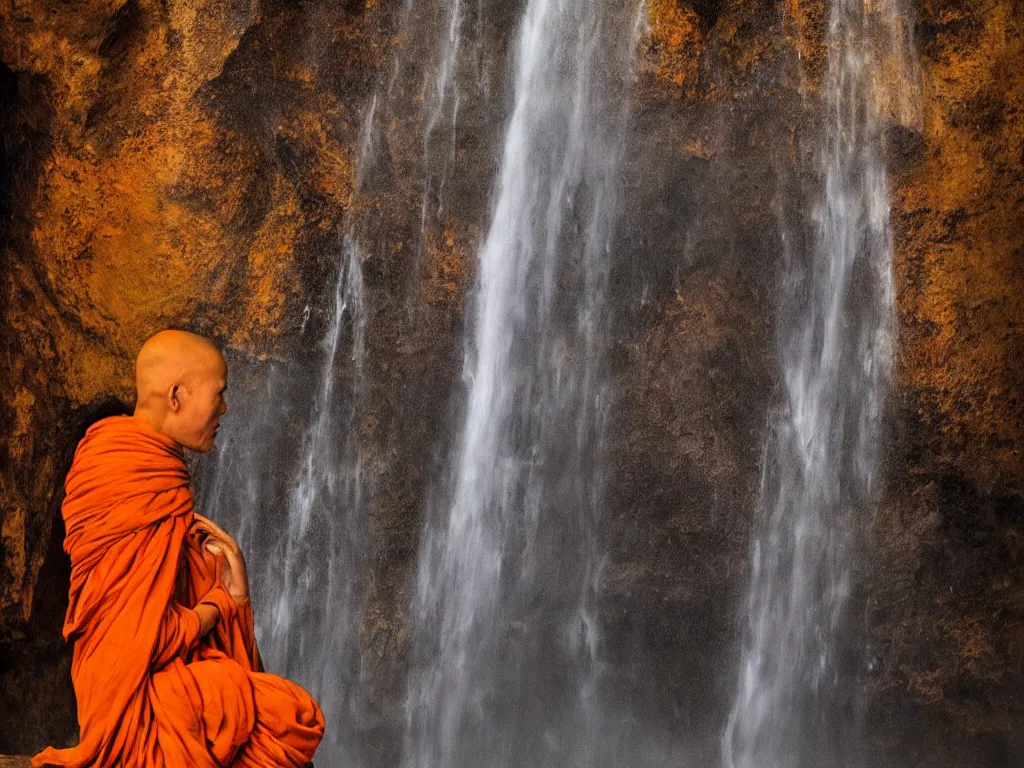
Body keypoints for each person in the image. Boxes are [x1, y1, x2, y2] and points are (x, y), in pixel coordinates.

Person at [32, 329, 324, 768]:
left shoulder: (134, 469)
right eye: (220, 394)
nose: (225, 409)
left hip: (138, 682)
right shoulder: (129, 477)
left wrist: (227, 589)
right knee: (291, 716)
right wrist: (223, 603)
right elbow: (144, 641)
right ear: (176, 396)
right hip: (135, 700)